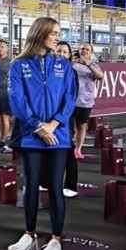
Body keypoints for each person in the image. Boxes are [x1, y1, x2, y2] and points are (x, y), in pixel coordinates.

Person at [6, 17, 77, 250]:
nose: (57, 37)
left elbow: (70, 97)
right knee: (30, 186)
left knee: (56, 187)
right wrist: (38, 126)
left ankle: (56, 240)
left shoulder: (63, 64)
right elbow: (17, 100)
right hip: (30, 135)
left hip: (58, 136)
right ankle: (30, 235)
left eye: (58, 33)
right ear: (41, 33)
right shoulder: (19, 65)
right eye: (54, 33)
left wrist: (54, 124)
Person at [53, 42, 80, 198]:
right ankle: (46, 181)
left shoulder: (72, 72)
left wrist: (61, 115)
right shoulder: (48, 70)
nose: (61, 54)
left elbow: (71, 97)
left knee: (68, 149)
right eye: (59, 51)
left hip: (65, 116)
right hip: (48, 116)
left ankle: (70, 185)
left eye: (64, 52)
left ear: (69, 55)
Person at [71, 42, 103, 159]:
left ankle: (78, 149)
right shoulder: (72, 64)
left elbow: (100, 76)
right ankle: (69, 148)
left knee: (81, 126)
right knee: (69, 126)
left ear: (91, 52)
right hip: (71, 101)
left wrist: (88, 65)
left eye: (87, 49)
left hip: (85, 102)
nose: (84, 51)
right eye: (82, 49)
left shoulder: (94, 66)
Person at [0, 39, 13, 153]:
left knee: (4, 118)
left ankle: (2, 140)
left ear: (6, 49)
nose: (0, 49)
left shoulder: (12, 62)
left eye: (2, 47)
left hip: (5, 93)